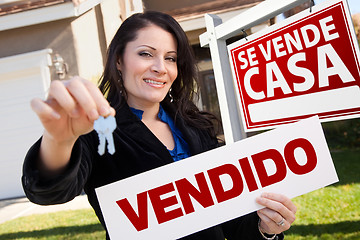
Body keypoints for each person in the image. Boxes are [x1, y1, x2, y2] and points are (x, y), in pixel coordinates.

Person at [22, 11, 296, 240]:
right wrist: (59, 139)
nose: (160, 67)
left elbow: (233, 222)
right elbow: (48, 192)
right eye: (145, 54)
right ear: (119, 60)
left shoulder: (195, 126)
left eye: (170, 58)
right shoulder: (95, 130)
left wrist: (266, 229)